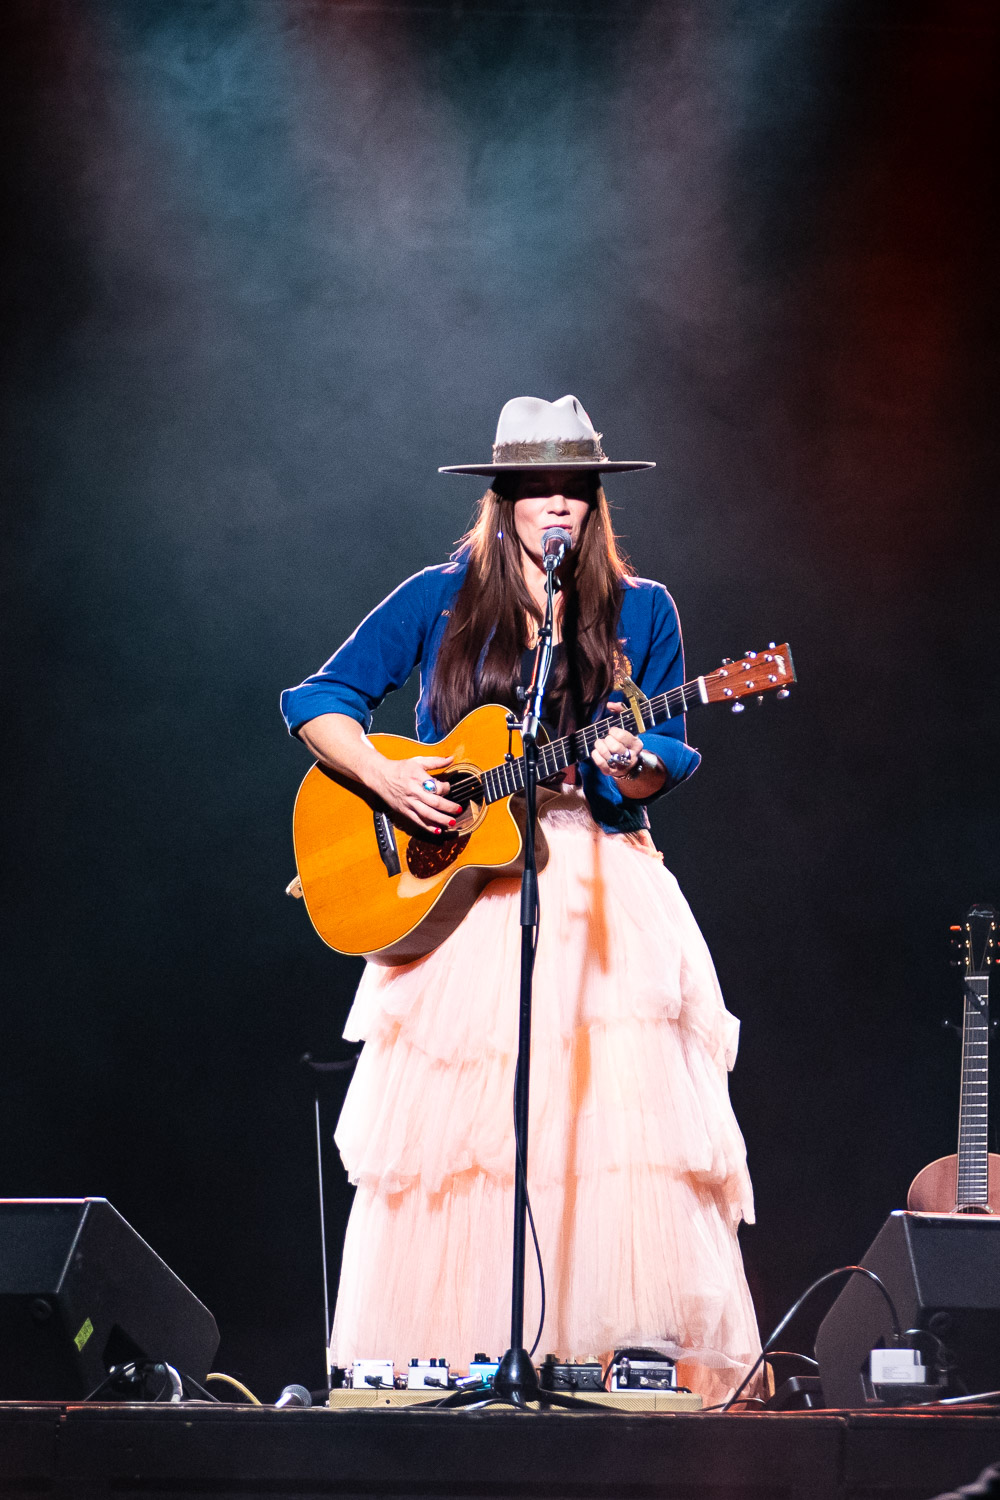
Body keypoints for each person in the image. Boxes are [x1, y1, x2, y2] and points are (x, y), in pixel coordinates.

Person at [280, 395, 761, 1404]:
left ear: (595, 506)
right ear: (499, 502)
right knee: (469, 1139)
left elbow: (660, 758)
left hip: (595, 886)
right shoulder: (439, 597)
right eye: (535, 491)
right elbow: (317, 700)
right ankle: (449, 1366)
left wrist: (629, 764)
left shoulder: (643, 609)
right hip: (465, 898)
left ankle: (603, 1369)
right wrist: (387, 777)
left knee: (603, 1125)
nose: (556, 509)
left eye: (574, 493)